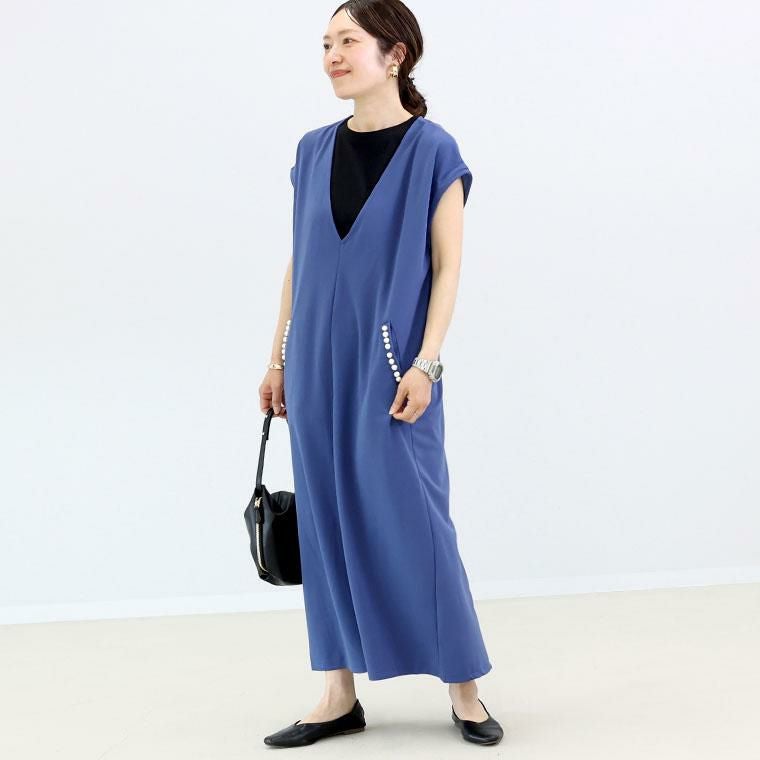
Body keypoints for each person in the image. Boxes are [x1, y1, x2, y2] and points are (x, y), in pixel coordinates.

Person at [258, 0, 504, 748]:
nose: (332, 55)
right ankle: (337, 694)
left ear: (395, 54)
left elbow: (448, 266)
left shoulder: (433, 150)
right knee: (325, 520)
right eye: (326, 43)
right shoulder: (312, 150)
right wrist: (277, 358)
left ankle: (465, 689)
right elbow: (300, 262)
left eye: (349, 40)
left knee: (419, 524)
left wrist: (427, 362)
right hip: (314, 366)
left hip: (395, 367)